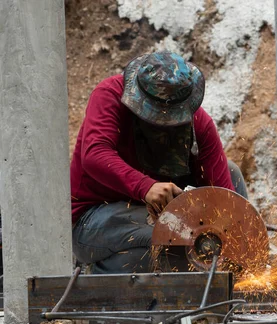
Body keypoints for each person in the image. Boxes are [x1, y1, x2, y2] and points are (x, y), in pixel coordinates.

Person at [70, 52, 247, 274]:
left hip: (163, 215)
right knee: (171, 241)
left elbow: (225, 197)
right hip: (95, 218)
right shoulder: (109, 95)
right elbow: (94, 154)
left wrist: (243, 246)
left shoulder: (198, 123)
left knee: (231, 175)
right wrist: (146, 187)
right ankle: (96, 272)